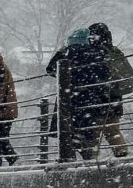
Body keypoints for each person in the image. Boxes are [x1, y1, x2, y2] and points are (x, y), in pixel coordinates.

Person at [47, 28, 110, 159]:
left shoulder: (66, 54)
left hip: (68, 99)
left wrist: (61, 55)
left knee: (67, 134)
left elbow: (50, 69)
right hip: (89, 100)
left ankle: (70, 161)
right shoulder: (96, 54)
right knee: (85, 134)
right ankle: (88, 161)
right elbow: (104, 75)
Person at [88, 22, 133, 158]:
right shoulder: (114, 51)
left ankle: (91, 163)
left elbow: (94, 78)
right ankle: (122, 156)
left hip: (98, 100)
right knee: (113, 131)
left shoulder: (95, 53)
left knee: (93, 133)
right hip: (115, 99)